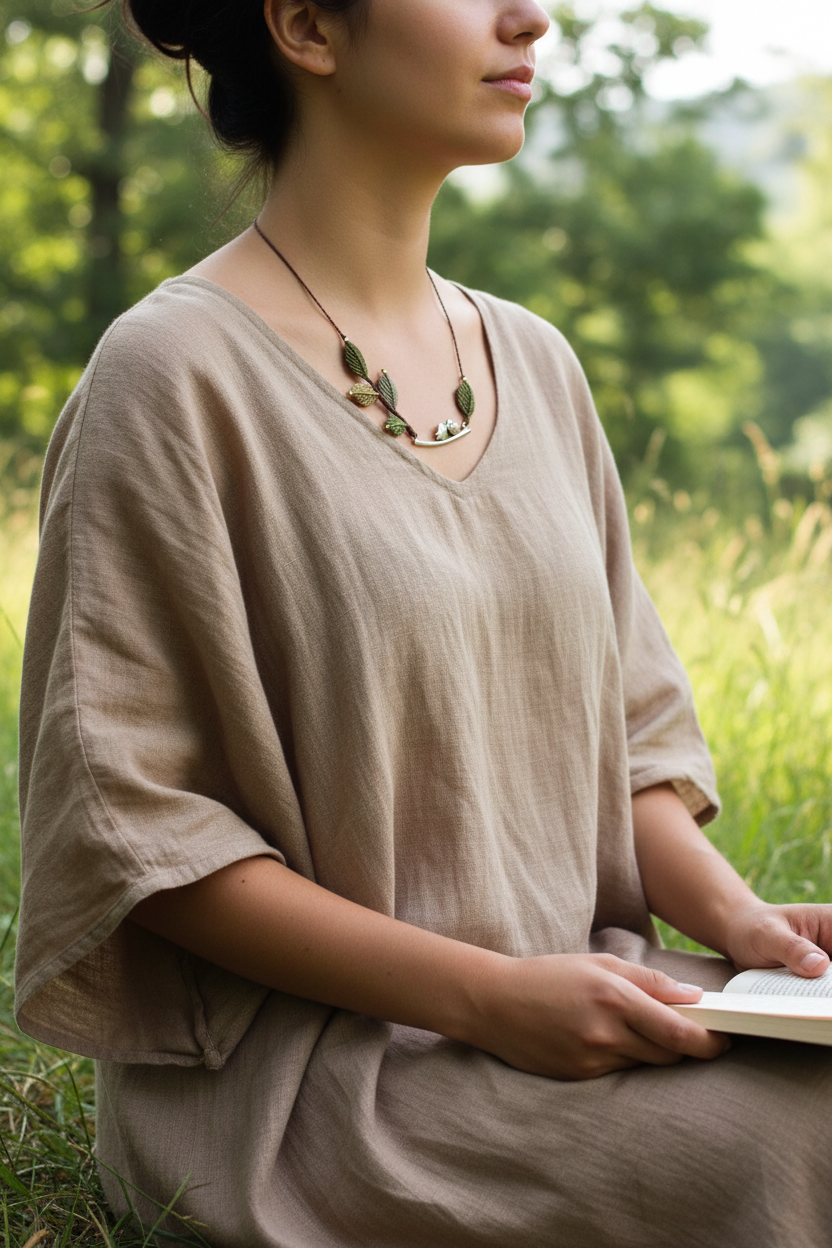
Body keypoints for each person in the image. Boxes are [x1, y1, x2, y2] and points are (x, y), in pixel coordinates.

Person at [14, 2, 832, 1245]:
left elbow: (627, 741)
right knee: (799, 1141)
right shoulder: (171, 376)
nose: (531, 16)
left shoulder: (535, 363)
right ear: (306, 27)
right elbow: (143, 837)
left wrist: (740, 926)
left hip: (583, 994)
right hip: (326, 1078)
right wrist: (490, 999)